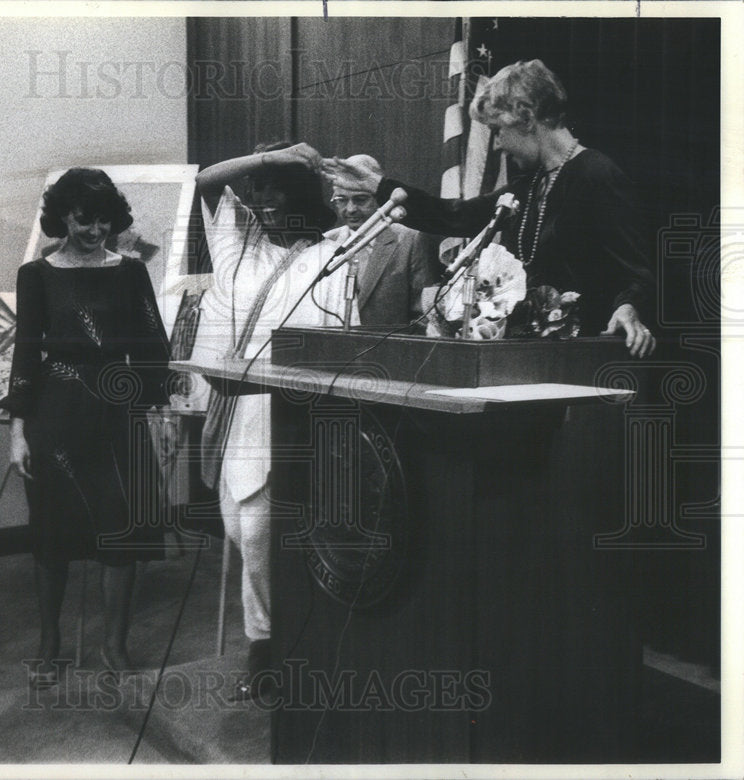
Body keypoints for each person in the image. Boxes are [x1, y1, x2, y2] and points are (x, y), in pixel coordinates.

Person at [323, 59, 657, 358]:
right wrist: (378, 186)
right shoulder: (531, 183)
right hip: (530, 356)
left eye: (498, 131)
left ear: (525, 118)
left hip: (582, 358)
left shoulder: (597, 173)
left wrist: (629, 306)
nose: (497, 144)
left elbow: (637, 270)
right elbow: (454, 216)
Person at [0, 168, 171, 687]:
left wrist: (155, 412)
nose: (94, 230)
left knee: (121, 527)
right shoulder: (37, 275)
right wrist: (17, 431)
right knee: (52, 531)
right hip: (57, 412)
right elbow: (26, 355)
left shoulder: (131, 271)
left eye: (102, 220)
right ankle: (50, 643)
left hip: (118, 414)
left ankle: (114, 645)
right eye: (81, 220)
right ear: (61, 217)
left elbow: (152, 349)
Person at [191, 140, 346, 700]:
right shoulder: (237, 243)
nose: (267, 203)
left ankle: (274, 642)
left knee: (267, 530)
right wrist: (269, 158)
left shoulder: (332, 252)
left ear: (303, 196)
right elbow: (208, 179)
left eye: (279, 191)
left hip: (308, 408)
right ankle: (267, 639)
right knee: (240, 526)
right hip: (241, 407)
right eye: (260, 193)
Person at [323, 154, 439, 327]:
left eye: (360, 200)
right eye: (341, 200)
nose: (350, 209)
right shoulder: (327, 243)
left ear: (380, 197)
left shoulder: (410, 240)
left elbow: (423, 317)